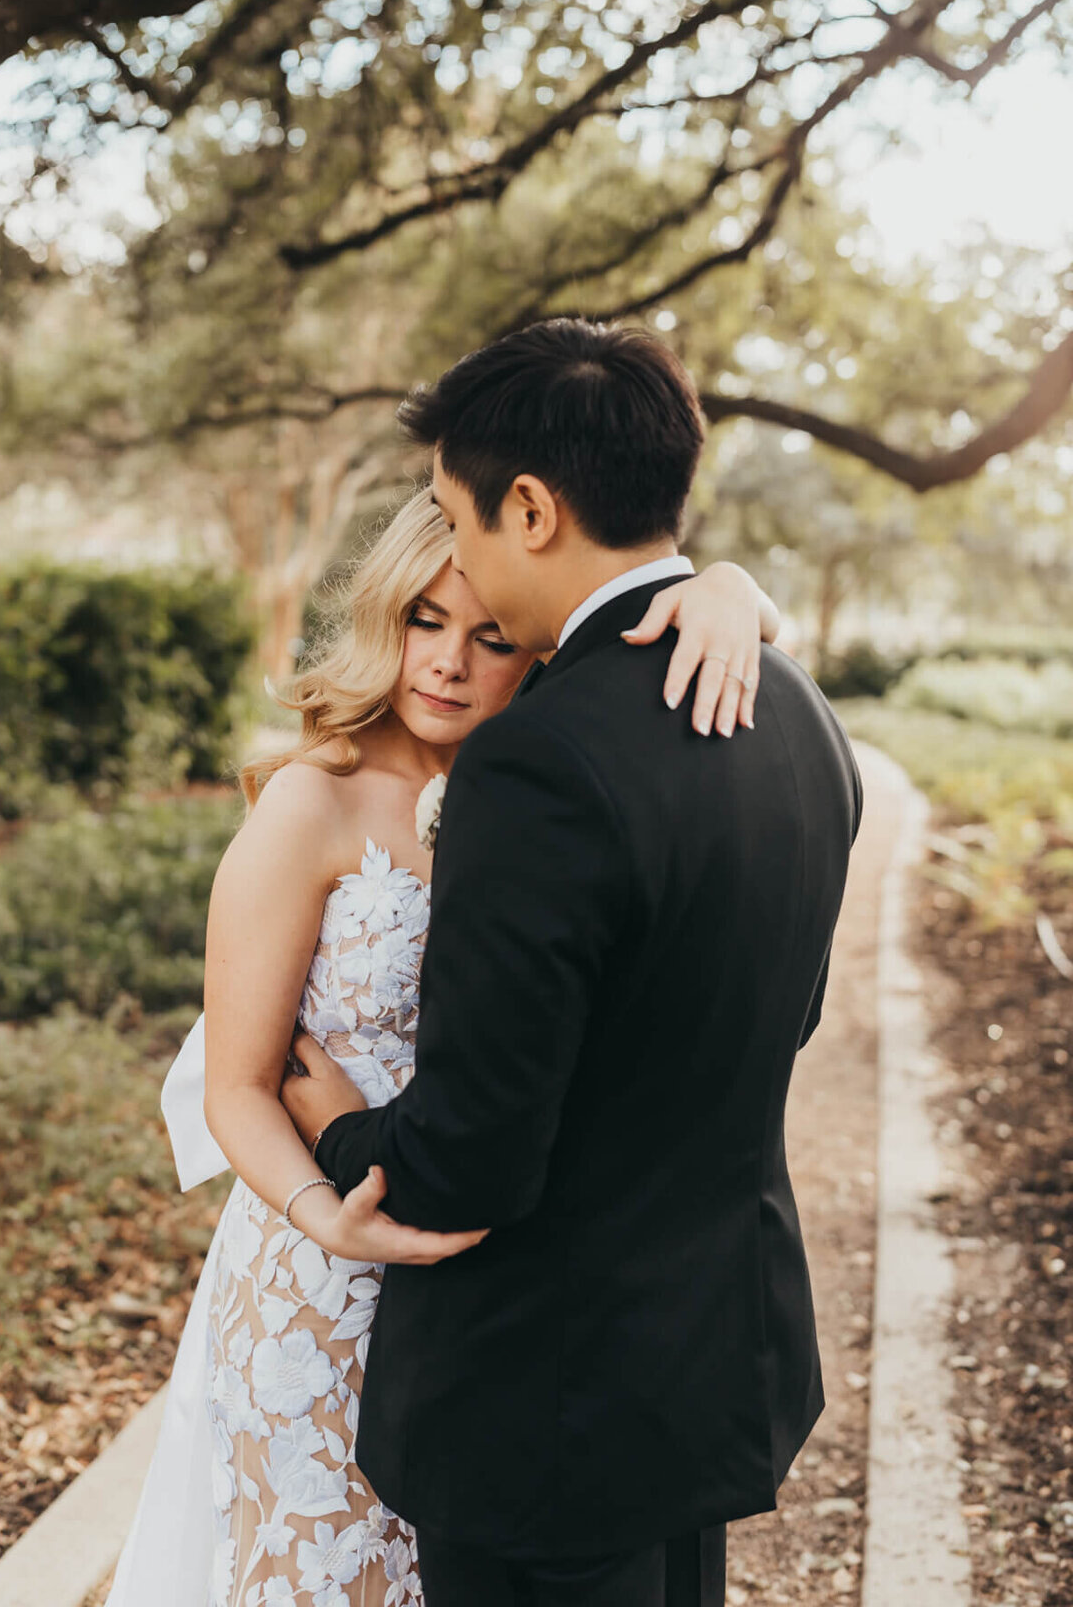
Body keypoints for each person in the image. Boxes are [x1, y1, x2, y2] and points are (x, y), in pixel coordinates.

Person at [105, 453, 781, 1607]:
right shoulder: (310, 802)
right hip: (326, 1276)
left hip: (495, 1283)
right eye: (425, 622)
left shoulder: (558, 788)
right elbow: (238, 1085)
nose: (450, 664)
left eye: (491, 638)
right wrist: (332, 1213)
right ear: (387, 618)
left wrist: (727, 586)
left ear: (539, 643)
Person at [280, 318, 864, 1607]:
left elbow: (471, 1164)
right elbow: (783, 1014)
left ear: (531, 509)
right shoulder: (802, 718)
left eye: (460, 516)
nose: (467, 571)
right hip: (714, 1367)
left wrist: (334, 1126)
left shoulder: (539, 763)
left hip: (546, 1409)